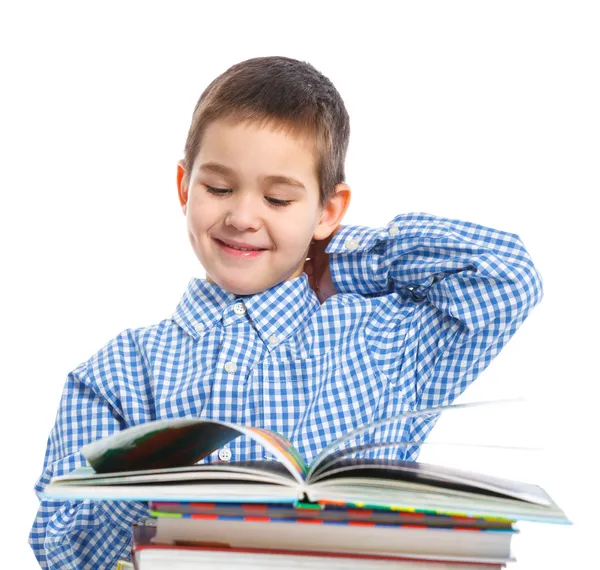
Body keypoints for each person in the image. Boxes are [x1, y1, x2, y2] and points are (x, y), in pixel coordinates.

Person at [29, 55, 543, 569]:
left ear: (328, 210)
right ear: (185, 188)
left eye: (278, 199)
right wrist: (156, 478)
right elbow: (60, 548)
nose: (243, 217)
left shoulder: (387, 341)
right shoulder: (115, 372)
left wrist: (336, 259)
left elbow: (507, 278)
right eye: (219, 188)